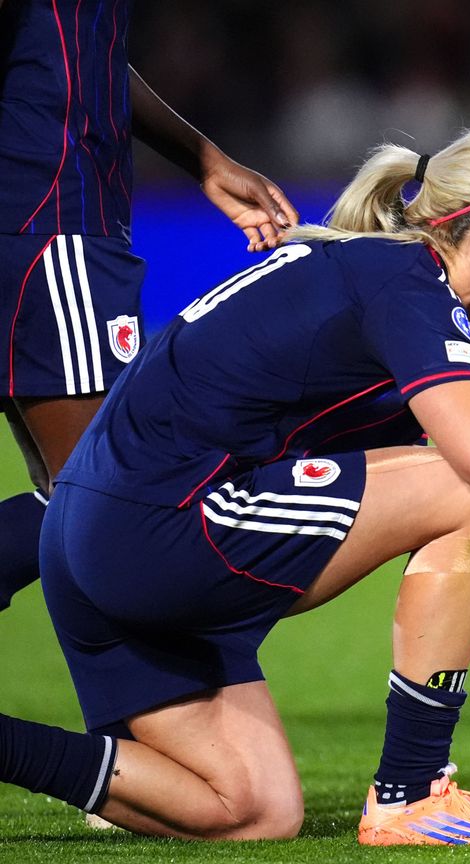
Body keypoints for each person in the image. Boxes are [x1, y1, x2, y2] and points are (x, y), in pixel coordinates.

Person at [0, 122, 470, 845]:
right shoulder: (405, 282)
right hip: (159, 529)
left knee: (252, 812)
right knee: (465, 483)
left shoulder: (375, 279)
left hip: (89, 539)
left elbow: (424, 503)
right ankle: (412, 794)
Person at [1, 0, 299, 612]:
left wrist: (204, 158)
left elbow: (86, 52)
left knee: (97, 501)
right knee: (116, 502)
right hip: (49, 217)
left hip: (62, 219)